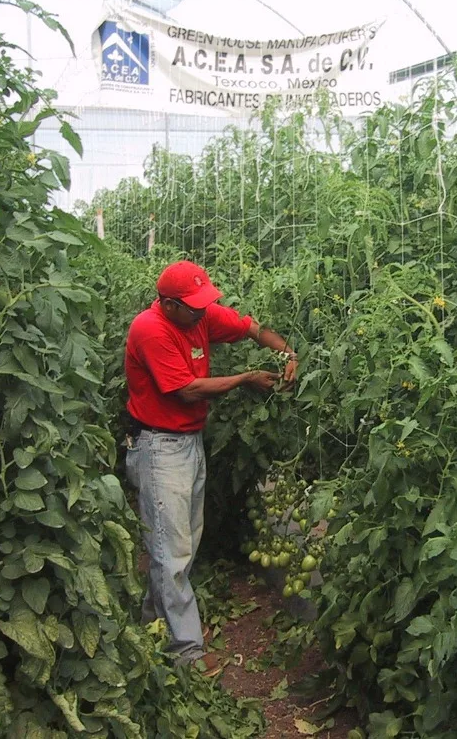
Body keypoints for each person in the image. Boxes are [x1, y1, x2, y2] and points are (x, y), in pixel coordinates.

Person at [123, 260, 297, 676]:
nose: (203, 311)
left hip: (188, 443)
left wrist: (288, 352)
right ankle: (187, 651)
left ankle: (148, 627)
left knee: (175, 546)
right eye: (194, 306)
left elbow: (252, 328)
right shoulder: (150, 328)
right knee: (173, 550)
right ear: (168, 303)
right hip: (158, 447)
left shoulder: (196, 316)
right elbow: (187, 390)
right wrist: (246, 377)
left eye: (205, 304)